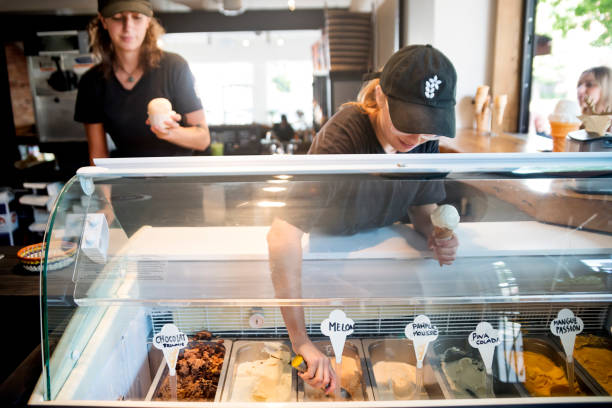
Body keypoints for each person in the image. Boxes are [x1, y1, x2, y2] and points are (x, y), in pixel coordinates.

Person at [267, 44, 459, 395]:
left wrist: (436, 234)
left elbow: (421, 207)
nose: (417, 140)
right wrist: (301, 342)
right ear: (382, 97)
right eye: (411, 123)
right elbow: (282, 235)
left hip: (380, 275)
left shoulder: (422, 143)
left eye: (430, 130)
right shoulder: (345, 134)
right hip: (323, 274)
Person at [75, 0, 210, 164]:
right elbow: (97, 156)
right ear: (104, 21)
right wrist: (102, 190)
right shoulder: (92, 82)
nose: (128, 27)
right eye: (118, 18)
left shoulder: (174, 66)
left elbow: (203, 140)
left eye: (137, 17)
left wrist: (170, 132)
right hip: (129, 183)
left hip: (179, 182)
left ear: (148, 21)